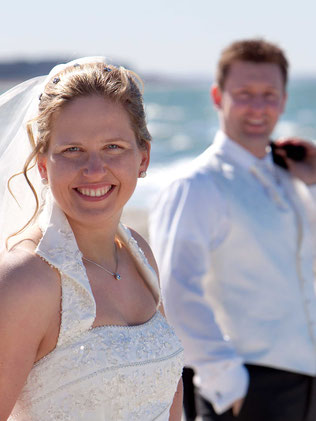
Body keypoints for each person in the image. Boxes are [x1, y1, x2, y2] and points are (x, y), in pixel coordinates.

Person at [0, 57, 183, 421]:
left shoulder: (138, 253)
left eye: (113, 147)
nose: (94, 170)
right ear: (42, 166)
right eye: (72, 150)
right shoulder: (26, 280)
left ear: (143, 158)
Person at [149, 39, 316, 421]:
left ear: (285, 100)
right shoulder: (196, 185)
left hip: (304, 381)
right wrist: (228, 384)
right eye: (243, 93)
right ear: (217, 96)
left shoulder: (291, 180)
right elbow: (175, 291)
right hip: (243, 388)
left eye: (269, 94)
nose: (258, 107)